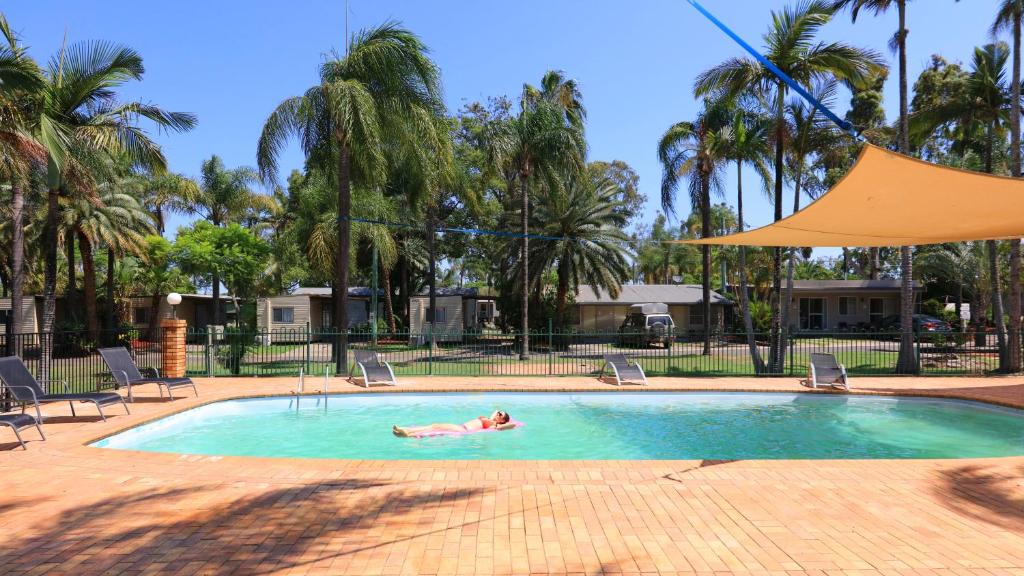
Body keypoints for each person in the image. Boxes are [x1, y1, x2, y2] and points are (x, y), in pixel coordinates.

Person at [393, 410, 513, 437]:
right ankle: (406, 429)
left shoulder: (494, 425)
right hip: (460, 426)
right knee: (434, 425)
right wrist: (496, 415)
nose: (498, 414)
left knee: (434, 428)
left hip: (463, 430)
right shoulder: (491, 419)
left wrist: (502, 423)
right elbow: (496, 410)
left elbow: (510, 425)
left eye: (500, 415)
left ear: (502, 420)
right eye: (499, 414)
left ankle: (407, 434)